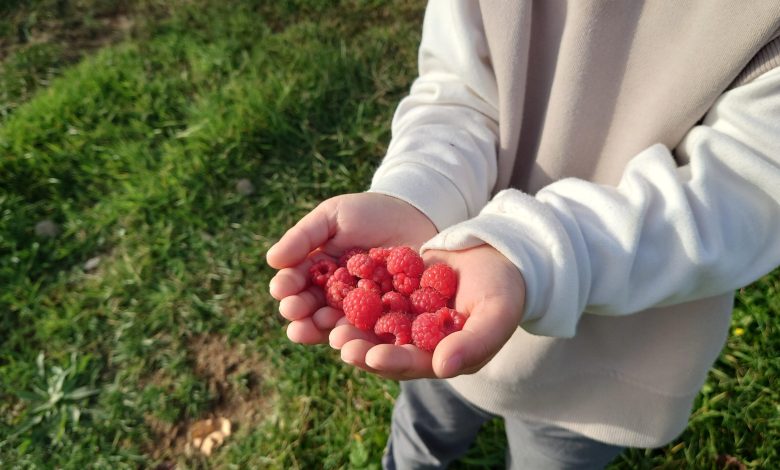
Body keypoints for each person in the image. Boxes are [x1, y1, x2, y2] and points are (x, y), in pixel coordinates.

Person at [267, 1, 780, 468]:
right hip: (455, 295)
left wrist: (529, 252)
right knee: (421, 434)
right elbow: (462, 85)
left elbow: (749, 188)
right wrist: (417, 191)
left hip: (604, 365)